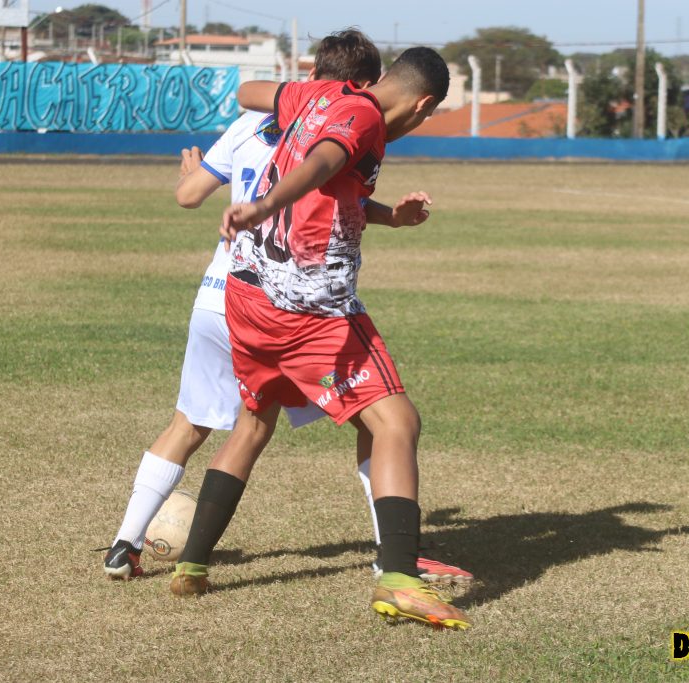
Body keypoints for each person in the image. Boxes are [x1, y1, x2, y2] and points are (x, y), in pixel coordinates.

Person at [103, 30, 470, 587]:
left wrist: (389, 215)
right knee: (393, 420)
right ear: (423, 105)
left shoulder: (309, 99)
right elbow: (323, 163)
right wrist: (266, 203)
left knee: (247, 422)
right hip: (306, 305)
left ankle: (186, 561)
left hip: (243, 296)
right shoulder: (362, 116)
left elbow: (252, 103)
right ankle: (397, 568)